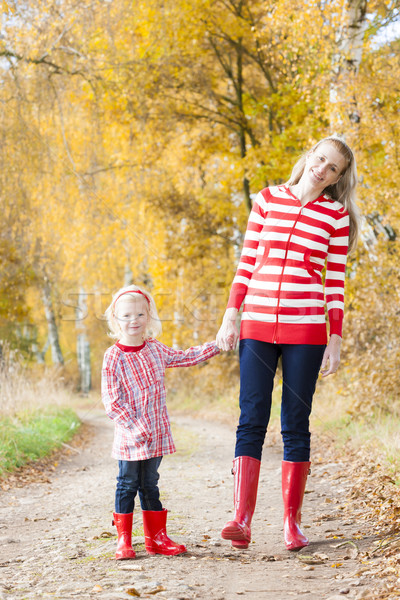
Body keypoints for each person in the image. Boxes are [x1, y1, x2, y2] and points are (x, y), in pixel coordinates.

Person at [216, 136, 360, 551]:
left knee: (296, 425)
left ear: (337, 178)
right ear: (308, 158)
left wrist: (335, 337)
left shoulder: (335, 216)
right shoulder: (266, 200)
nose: (322, 170)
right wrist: (231, 314)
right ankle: (241, 518)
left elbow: (334, 283)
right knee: (251, 418)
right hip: (257, 326)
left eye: (332, 168)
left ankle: (291, 524)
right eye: (320, 160)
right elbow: (246, 263)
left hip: (307, 330)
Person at [102, 284, 220, 560]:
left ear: (149, 317)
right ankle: (124, 541)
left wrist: (216, 345)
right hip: (130, 439)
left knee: (150, 483)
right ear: (116, 320)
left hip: (155, 435)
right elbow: (112, 402)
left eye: (140, 315)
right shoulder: (113, 357)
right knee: (126, 483)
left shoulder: (155, 350)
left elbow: (185, 357)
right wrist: (133, 427)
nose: (134, 321)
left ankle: (157, 538)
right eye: (126, 316)